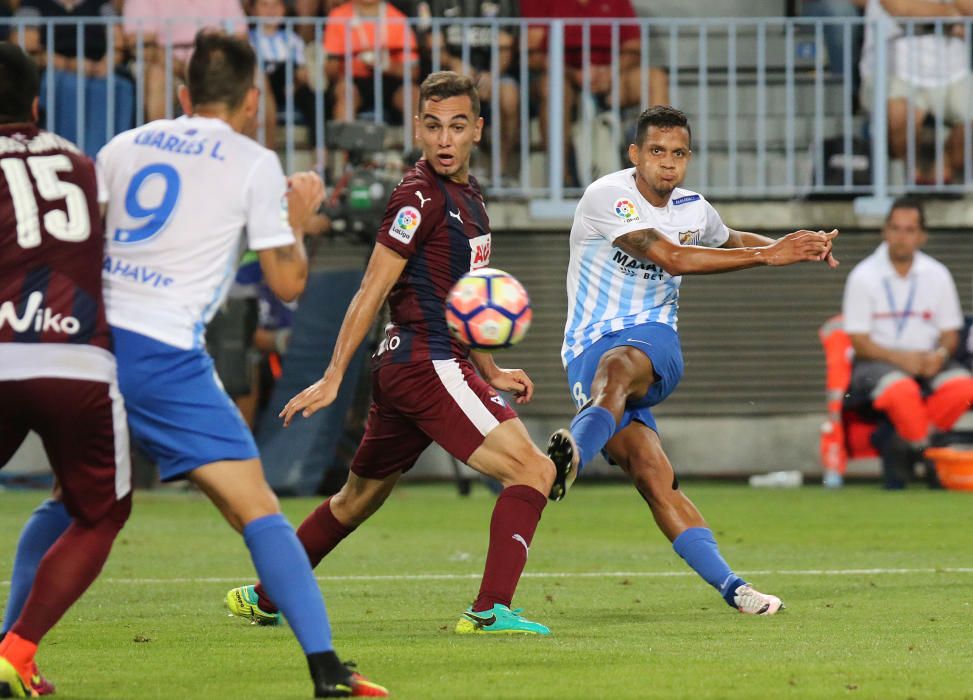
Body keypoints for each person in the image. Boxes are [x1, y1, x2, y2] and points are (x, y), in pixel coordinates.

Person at [1, 32, 387, 697]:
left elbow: (79, 236)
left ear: (182, 94)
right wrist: (297, 218)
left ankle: (12, 651)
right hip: (162, 353)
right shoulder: (253, 161)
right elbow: (288, 283)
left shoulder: (124, 145)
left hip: (88, 341)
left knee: (72, 501)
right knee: (257, 509)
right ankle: (327, 669)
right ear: (251, 103)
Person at [225, 70, 558, 636]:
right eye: (433, 127)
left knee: (355, 501)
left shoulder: (472, 200)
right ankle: (488, 610)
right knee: (534, 469)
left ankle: (265, 595)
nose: (444, 139)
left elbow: (464, 300)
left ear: (477, 129)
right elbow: (370, 289)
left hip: (418, 365)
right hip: (428, 361)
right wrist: (333, 377)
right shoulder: (418, 195)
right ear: (419, 130)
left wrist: (492, 369)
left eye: (456, 126)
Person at [545, 105, 840, 616]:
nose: (668, 164)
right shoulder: (607, 196)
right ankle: (734, 587)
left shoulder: (694, 209)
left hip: (653, 341)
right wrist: (769, 256)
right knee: (651, 473)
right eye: (657, 152)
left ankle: (567, 460)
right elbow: (672, 257)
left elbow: (729, 242)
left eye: (678, 154)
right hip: (584, 348)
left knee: (619, 366)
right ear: (634, 154)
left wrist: (785, 247)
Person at [0, 42, 130, 697]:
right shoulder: (80, 163)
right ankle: (16, 651)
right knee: (102, 513)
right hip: (76, 358)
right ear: (36, 101)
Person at [841, 197, 973, 488]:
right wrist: (903, 360)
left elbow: (951, 333)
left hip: (930, 361)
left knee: (965, 386)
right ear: (884, 232)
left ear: (922, 235)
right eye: (896, 229)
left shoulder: (937, 274)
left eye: (910, 230)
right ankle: (930, 454)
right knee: (900, 390)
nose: (902, 237)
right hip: (877, 363)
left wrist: (938, 356)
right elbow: (859, 341)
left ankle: (906, 444)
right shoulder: (863, 276)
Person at [859, 0, 973, 184]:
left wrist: (936, 12)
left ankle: (942, 168)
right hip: (896, 70)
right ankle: (916, 172)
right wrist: (951, 14)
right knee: (898, 113)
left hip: (954, 72)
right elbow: (901, 8)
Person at [14, 0, 135, 156]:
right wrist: (71, 64)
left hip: (98, 68)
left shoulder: (101, 4)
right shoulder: (34, 4)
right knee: (64, 86)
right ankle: (65, 153)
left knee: (118, 87)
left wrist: (105, 64)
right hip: (54, 67)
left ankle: (108, 156)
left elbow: (117, 43)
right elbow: (27, 46)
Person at [416, 0, 520, 178]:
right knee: (442, 99)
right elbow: (433, 44)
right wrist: (453, 63)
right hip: (448, 71)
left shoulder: (504, 2)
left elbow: (506, 46)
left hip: (492, 72)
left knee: (509, 96)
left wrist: (491, 75)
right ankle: (438, 172)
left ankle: (499, 172)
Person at [323, 0, 420, 122]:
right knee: (345, 92)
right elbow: (330, 67)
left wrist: (386, 65)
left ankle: (416, 141)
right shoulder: (338, 16)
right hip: (353, 80)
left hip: (390, 80)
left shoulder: (398, 18)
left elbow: (413, 71)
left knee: (413, 95)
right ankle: (344, 140)